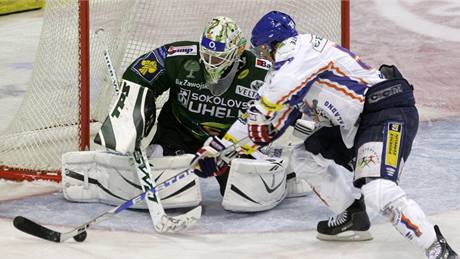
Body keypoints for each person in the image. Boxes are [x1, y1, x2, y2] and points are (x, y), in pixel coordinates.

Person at [193, 11, 457, 258]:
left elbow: (274, 99)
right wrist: (217, 150)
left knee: (377, 190)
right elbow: (255, 115)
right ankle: (352, 216)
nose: (263, 55)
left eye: (263, 48)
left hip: (385, 111)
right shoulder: (284, 71)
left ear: (273, 43)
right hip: (355, 125)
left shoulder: (302, 49)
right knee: (305, 156)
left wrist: (262, 116)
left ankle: (438, 249)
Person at [61, 16, 309, 213]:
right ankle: (105, 176)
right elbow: (139, 74)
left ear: (239, 52)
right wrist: (133, 114)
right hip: (179, 131)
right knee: (163, 170)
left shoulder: (262, 71)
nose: (211, 63)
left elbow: (293, 99)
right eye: (207, 55)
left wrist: (303, 122)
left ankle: (285, 173)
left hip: (229, 142)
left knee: (246, 195)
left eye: (219, 57)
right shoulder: (180, 57)